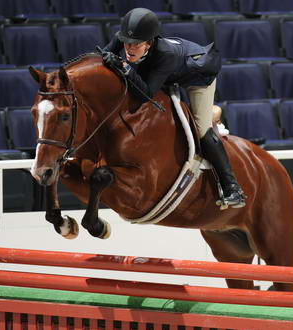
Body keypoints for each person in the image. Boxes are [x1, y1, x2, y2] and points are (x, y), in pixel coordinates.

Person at [101, 8, 245, 208]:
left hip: (197, 77)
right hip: (166, 75)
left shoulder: (165, 55)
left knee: (201, 128)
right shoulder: (125, 39)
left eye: (136, 45)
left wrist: (124, 68)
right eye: (126, 42)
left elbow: (145, 94)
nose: (129, 48)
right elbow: (101, 56)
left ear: (149, 43)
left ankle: (232, 187)